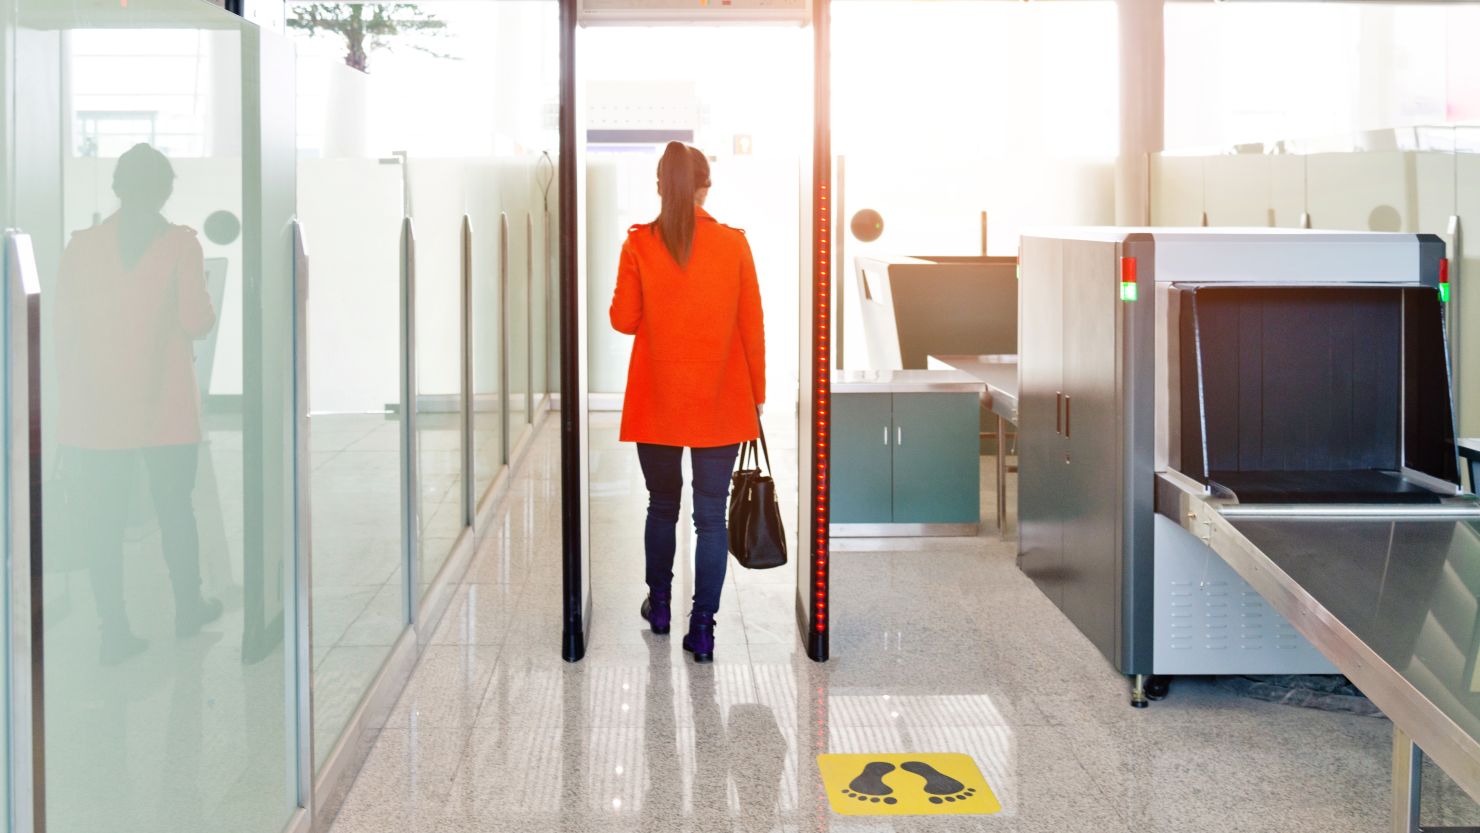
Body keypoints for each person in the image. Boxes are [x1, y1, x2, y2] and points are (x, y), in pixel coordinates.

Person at [56, 142, 223, 665]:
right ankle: (188, 606)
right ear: (166, 190)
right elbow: (197, 321)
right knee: (176, 507)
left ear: (118, 188)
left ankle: (115, 629)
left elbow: (63, 329)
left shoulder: (80, 247)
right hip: (165, 404)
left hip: (97, 409)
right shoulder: (180, 245)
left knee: (103, 518)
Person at [609, 141, 765, 663]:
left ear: (659, 187)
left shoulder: (639, 245)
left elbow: (624, 320)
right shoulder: (733, 245)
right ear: (705, 187)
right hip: (720, 401)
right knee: (710, 519)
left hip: (657, 399)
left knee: (661, 505)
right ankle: (702, 629)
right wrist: (756, 398)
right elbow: (752, 330)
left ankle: (659, 605)